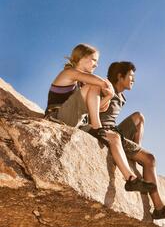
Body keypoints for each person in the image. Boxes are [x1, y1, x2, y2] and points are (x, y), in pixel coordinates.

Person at [44, 44, 151, 193]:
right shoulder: (69, 73)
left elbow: (99, 107)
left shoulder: (84, 84)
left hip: (77, 122)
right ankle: (97, 128)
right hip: (57, 117)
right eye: (94, 60)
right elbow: (101, 83)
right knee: (94, 85)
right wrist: (109, 89)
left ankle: (131, 179)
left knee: (114, 137)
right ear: (82, 57)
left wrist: (108, 95)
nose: (96, 64)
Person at [90, 61, 165, 220]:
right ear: (120, 76)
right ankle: (159, 207)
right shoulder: (105, 88)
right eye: (131, 76)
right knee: (150, 159)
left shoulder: (121, 97)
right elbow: (91, 108)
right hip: (105, 132)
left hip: (115, 130)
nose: (133, 80)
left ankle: (135, 153)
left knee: (139, 116)